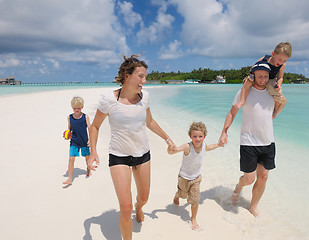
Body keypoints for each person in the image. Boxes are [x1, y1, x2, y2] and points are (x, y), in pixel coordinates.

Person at [87, 55, 176, 240]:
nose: (144, 81)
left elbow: (149, 121)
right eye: (141, 76)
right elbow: (95, 126)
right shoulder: (108, 99)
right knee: (125, 209)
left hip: (143, 155)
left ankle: (140, 207)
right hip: (119, 156)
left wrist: (167, 139)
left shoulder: (145, 97)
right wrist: (93, 152)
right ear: (127, 75)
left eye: (145, 77)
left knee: (143, 198)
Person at [219, 61, 286, 217]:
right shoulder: (245, 92)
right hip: (248, 142)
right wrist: (224, 132)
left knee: (263, 176)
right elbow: (231, 113)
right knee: (249, 179)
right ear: (253, 75)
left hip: (268, 142)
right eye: (260, 76)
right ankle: (238, 187)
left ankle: (253, 206)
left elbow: (275, 112)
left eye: (266, 76)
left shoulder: (272, 92)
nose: (263, 79)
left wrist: (280, 101)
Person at [168, 122, 222, 230]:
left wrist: (218, 144)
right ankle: (177, 195)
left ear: (204, 137)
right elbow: (174, 151)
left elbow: (209, 147)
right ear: (190, 136)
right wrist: (171, 148)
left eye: (200, 136)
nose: (197, 139)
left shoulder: (204, 145)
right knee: (183, 194)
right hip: (184, 177)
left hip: (196, 178)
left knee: (195, 199)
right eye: (195, 136)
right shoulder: (187, 146)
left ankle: (193, 218)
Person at [236, 42, 292, 118]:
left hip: (271, 79)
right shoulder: (265, 58)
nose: (281, 62)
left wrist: (278, 85)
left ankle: (274, 112)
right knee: (247, 82)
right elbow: (254, 67)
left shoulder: (283, 65)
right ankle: (242, 100)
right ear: (273, 54)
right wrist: (252, 76)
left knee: (279, 97)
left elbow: (280, 77)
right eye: (280, 59)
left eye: (285, 60)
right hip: (260, 76)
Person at [63, 96, 91, 185]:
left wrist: (90, 140)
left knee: (87, 157)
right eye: (74, 108)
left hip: (84, 140)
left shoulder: (85, 116)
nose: (76, 109)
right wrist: (67, 136)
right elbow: (69, 129)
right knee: (71, 158)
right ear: (72, 107)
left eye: (78, 108)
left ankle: (88, 169)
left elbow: (90, 129)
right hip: (74, 141)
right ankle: (70, 178)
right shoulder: (69, 117)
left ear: (82, 107)